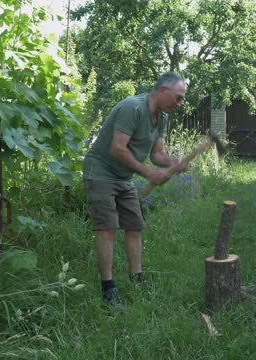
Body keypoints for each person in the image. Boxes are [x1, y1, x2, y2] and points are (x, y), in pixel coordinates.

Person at [82, 72, 188, 311]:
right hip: (100, 172)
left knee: (134, 226)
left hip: (123, 177)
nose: (179, 104)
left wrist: (173, 163)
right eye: (178, 98)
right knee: (107, 228)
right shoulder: (132, 108)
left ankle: (136, 279)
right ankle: (108, 288)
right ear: (162, 90)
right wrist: (149, 174)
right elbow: (117, 149)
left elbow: (156, 154)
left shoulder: (161, 118)